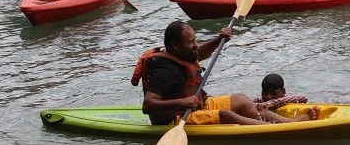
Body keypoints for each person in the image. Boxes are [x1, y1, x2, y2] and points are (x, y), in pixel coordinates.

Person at [134, 21, 319, 126]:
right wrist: (183, 102)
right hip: (175, 118)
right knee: (226, 115)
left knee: (241, 100)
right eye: (191, 42)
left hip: (197, 105)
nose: (195, 45)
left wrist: (219, 39)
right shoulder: (165, 70)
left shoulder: (183, 53)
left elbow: (199, 54)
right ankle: (277, 129)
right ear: (175, 45)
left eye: (195, 40)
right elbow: (148, 106)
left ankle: (288, 123)